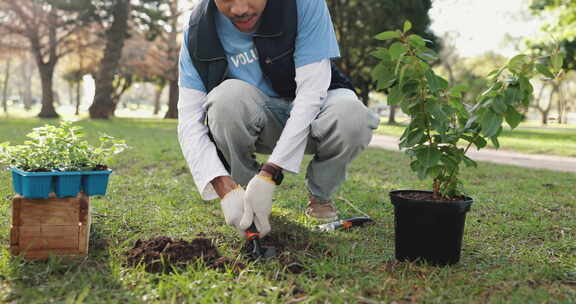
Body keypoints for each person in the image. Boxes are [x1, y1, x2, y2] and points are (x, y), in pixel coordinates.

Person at [177, 0, 380, 238]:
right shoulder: (198, 29)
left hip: (316, 111)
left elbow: (311, 94)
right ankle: (244, 196)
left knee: (353, 116)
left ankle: (320, 195)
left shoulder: (303, 4)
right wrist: (224, 187)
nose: (239, 9)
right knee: (224, 99)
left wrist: (269, 174)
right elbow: (189, 120)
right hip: (260, 118)